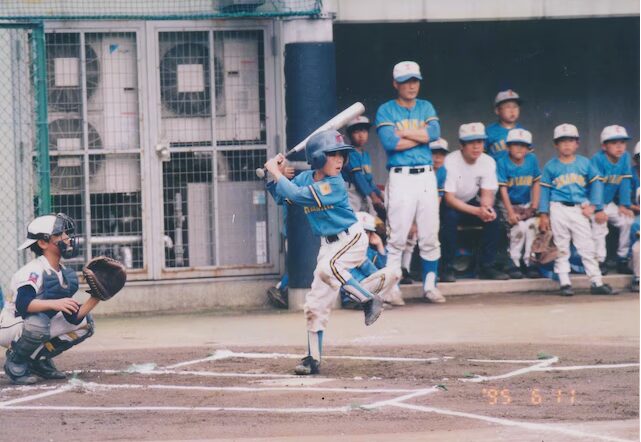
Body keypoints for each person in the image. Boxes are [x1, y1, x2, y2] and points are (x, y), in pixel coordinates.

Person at [264, 129, 384, 376]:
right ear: (318, 158)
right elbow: (281, 197)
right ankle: (313, 359)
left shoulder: (336, 185)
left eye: (342, 156)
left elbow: (296, 194)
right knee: (315, 304)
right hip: (328, 246)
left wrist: (278, 174)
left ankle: (369, 299)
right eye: (334, 155)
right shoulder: (306, 178)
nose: (340, 160)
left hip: (351, 238)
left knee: (328, 269)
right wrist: (272, 176)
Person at [0, 213, 98, 384]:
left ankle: (37, 359)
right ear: (43, 243)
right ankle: (16, 361)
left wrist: (96, 298)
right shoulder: (33, 270)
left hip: (34, 323)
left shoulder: (62, 271)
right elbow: (23, 305)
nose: (67, 238)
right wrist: (56, 303)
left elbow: (73, 316)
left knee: (85, 324)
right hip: (11, 324)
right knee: (38, 323)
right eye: (60, 234)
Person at [375, 60, 442, 303]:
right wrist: (419, 137)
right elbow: (391, 143)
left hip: (425, 175)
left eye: (415, 81)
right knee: (398, 236)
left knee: (429, 234)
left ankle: (430, 285)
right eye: (406, 82)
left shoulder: (426, 106)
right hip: (400, 176)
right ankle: (392, 288)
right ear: (396, 84)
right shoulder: (386, 110)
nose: (411, 86)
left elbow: (434, 134)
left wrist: (403, 132)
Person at [538, 124, 615, 296]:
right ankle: (565, 283)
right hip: (558, 208)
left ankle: (596, 282)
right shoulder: (551, 166)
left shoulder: (584, 163)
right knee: (561, 245)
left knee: (586, 245)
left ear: (577, 143)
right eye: (562, 141)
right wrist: (543, 214)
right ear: (556, 144)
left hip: (579, 209)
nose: (566, 144)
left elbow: (596, 183)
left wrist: (595, 206)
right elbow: (544, 191)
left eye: (570, 140)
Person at [441, 123, 509, 282]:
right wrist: (477, 211)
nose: (476, 146)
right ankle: (447, 268)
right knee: (449, 219)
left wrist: (486, 209)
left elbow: (487, 193)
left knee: (494, 217)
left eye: (480, 142)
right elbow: (449, 199)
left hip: (470, 202)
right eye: (471, 142)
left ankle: (487, 266)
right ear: (461, 145)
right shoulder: (450, 161)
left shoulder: (487, 161)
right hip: (451, 204)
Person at [496, 129, 541, 279]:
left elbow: (536, 182)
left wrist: (534, 206)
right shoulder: (502, 162)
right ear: (508, 147)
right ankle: (514, 262)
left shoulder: (532, 159)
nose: (520, 148)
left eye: (524, 145)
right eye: (516, 145)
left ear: (529, 148)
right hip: (507, 203)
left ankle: (529, 262)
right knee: (519, 228)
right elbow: (502, 191)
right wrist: (510, 212)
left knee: (532, 226)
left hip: (526, 203)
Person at [590, 125, 635, 275]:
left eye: (622, 142)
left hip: (608, 203)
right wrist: (598, 209)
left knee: (626, 220)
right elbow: (596, 185)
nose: (619, 146)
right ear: (604, 146)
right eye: (614, 143)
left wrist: (624, 205)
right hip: (592, 202)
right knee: (600, 226)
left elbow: (625, 181)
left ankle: (622, 258)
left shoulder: (625, 157)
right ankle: (599, 260)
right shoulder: (598, 159)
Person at [341, 212, 401, 309]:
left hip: (367, 287)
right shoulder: (348, 248)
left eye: (367, 232)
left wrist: (380, 246)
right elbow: (374, 273)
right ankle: (372, 302)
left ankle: (377, 301)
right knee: (390, 274)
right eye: (361, 231)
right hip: (353, 292)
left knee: (395, 272)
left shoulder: (370, 250)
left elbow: (383, 269)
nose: (364, 235)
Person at [342, 116, 385, 218]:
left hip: (364, 192)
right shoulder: (349, 153)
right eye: (356, 132)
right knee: (353, 220)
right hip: (351, 192)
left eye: (364, 131)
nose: (361, 135)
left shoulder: (365, 155)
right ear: (349, 134)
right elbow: (358, 177)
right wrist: (374, 197)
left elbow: (368, 180)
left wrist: (380, 194)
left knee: (369, 221)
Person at [266, 165, 296, 309]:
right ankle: (280, 289)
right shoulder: (286, 186)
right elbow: (278, 197)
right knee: (295, 265)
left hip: (311, 232)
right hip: (292, 232)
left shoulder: (308, 180)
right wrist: (280, 176)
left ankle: (281, 289)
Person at [485, 89, 524, 160]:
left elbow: (529, 157)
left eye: (515, 106)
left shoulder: (522, 132)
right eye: (508, 107)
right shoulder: (489, 131)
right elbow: (481, 157)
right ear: (497, 110)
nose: (512, 111)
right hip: (495, 170)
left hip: (516, 170)